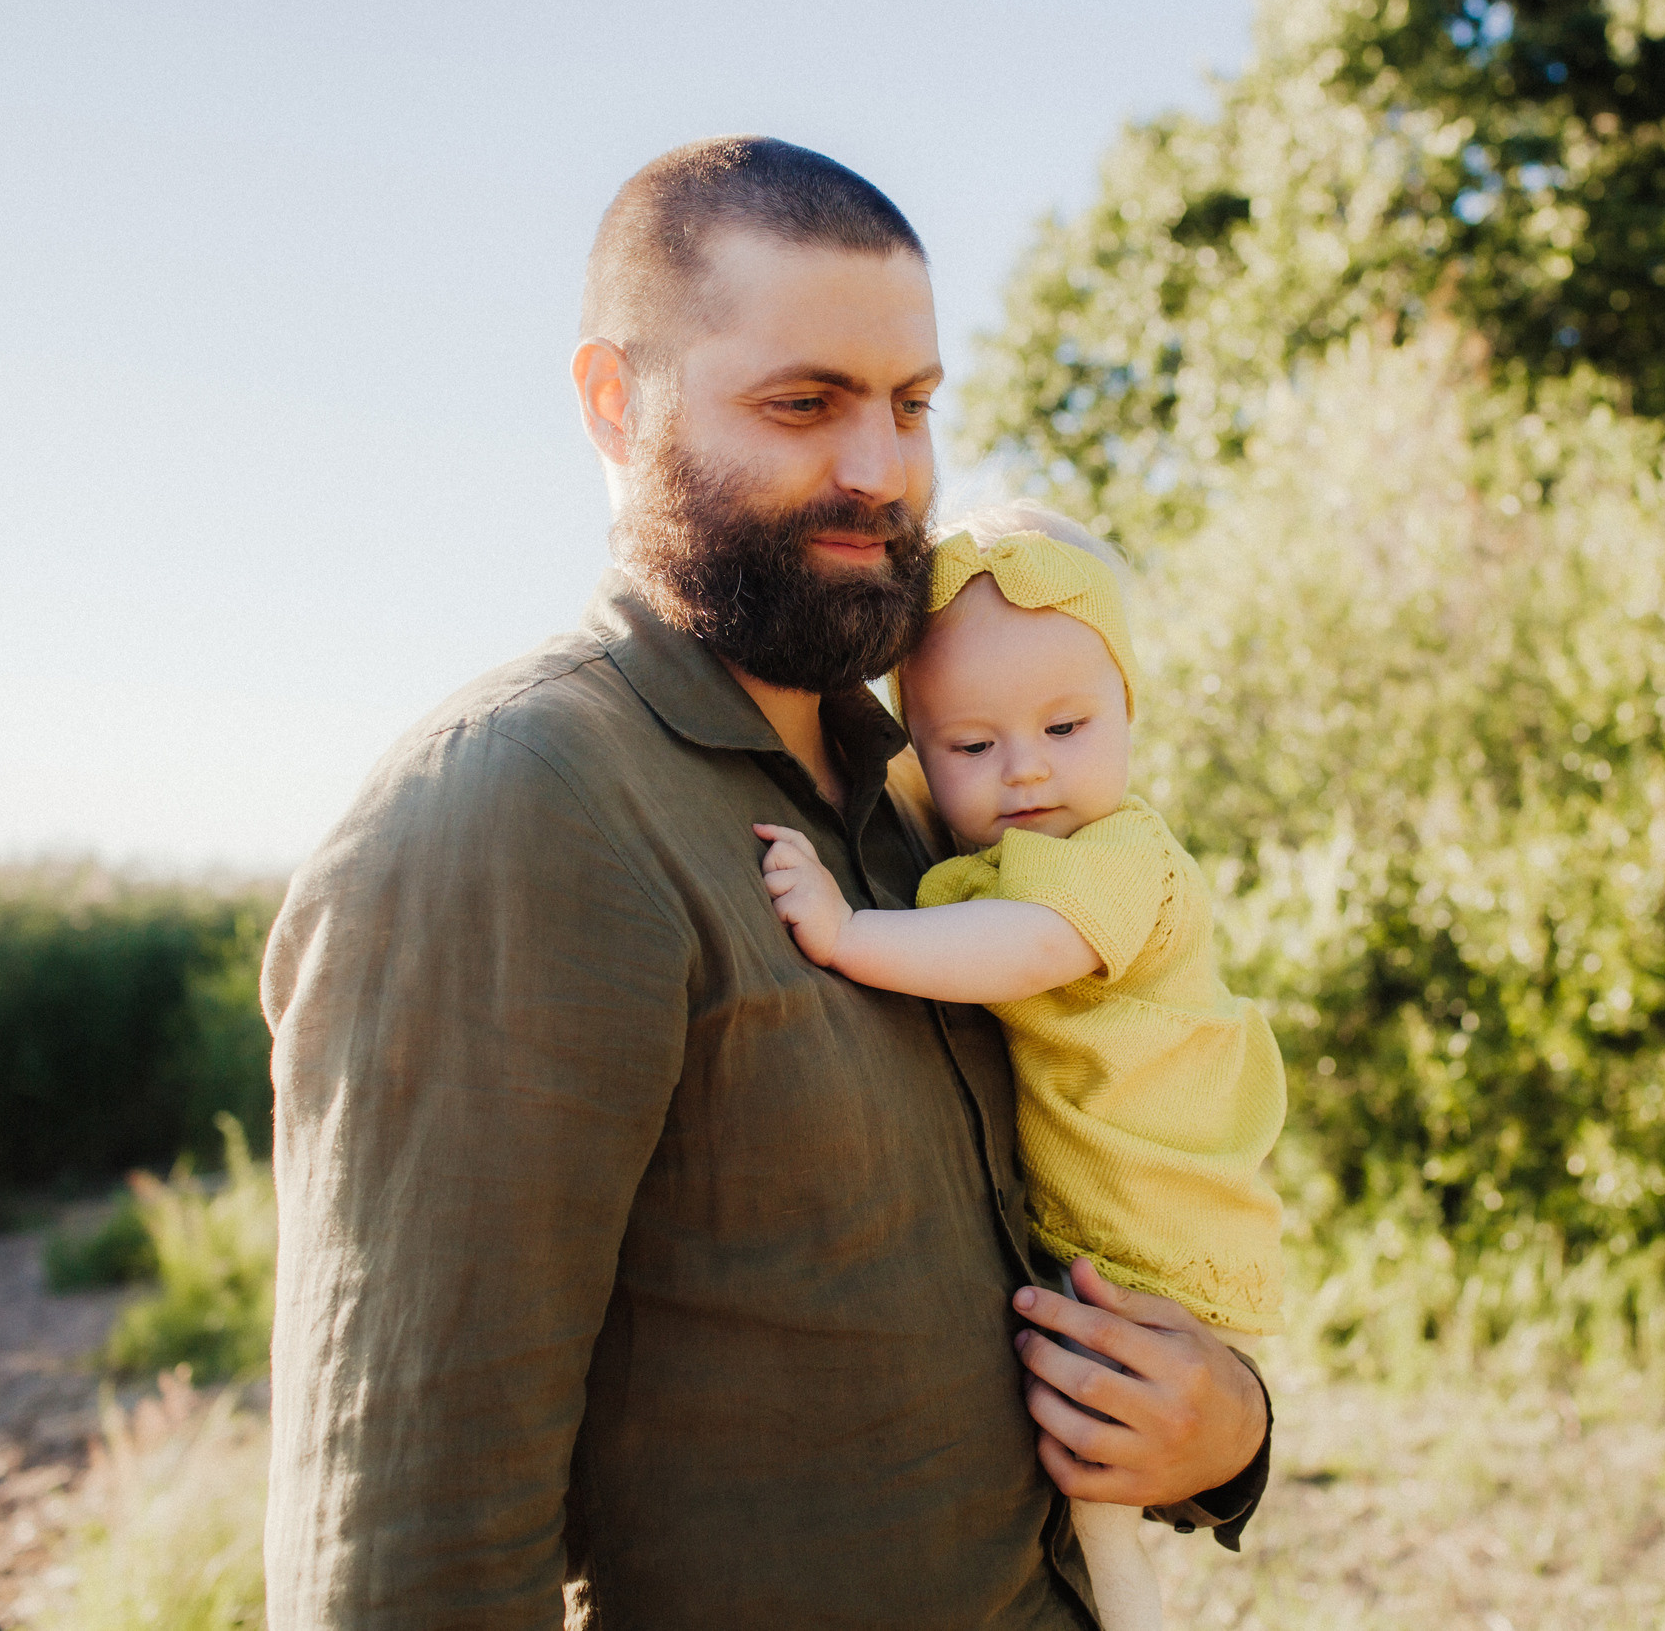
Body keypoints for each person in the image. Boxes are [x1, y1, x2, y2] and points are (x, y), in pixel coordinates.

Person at [259, 135, 1270, 1629]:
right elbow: (409, 1553)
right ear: (617, 404)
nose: (884, 469)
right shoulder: (513, 808)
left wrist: (1223, 1428)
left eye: (914, 405)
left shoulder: (940, 811)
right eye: (804, 402)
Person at [752, 504, 1287, 1631]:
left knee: (1097, 1490)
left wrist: (848, 935)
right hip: (1099, 1225)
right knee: (1083, 1489)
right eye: (973, 745)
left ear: (1129, 715)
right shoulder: (981, 846)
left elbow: (1021, 946)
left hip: (1155, 1236)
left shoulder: (1120, 857)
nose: (1027, 771)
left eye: (1067, 727)